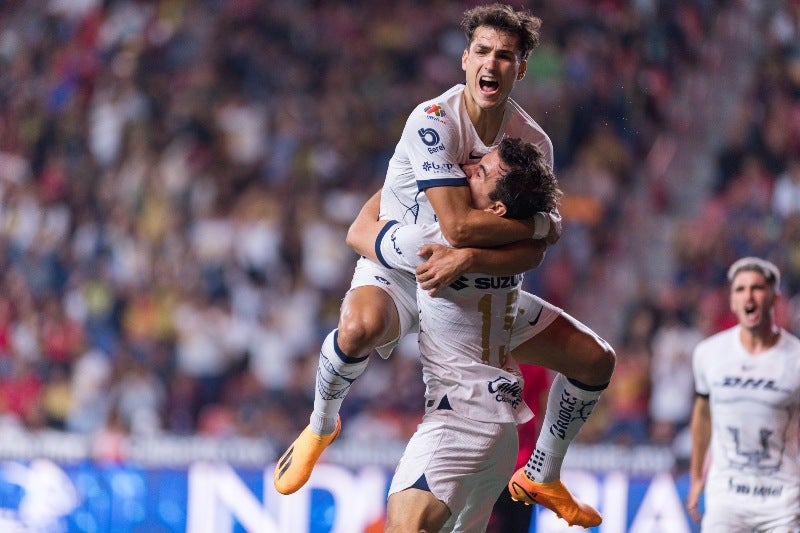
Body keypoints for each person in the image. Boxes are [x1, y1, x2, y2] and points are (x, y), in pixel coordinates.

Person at [274, 5, 615, 527]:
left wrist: (482, 255)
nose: (492, 64)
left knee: (594, 360)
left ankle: (542, 471)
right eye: (482, 51)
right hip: (408, 262)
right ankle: (321, 424)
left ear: (520, 68)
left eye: (506, 56)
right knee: (359, 326)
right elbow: (455, 228)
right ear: (464, 60)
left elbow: (526, 252)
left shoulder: (533, 143)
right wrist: (539, 227)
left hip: (473, 285)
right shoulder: (433, 121)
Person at [347, 137, 561, 532]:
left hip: (460, 423)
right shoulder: (519, 243)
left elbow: (358, 233)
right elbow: (543, 237)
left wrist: (404, 180)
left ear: (496, 207)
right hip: (505, 445)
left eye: (479, 172)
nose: (464, 171)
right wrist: (545, 224)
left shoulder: (437, 243)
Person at [687, 257, 800, 532]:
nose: (748, 296)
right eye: (740, 289)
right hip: (726, 499)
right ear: (732, 301)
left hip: (782, 501)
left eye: (758, 288)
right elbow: (703, 415)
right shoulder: (708, 354)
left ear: (775, 298)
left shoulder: (796, 358)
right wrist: (696, 477)